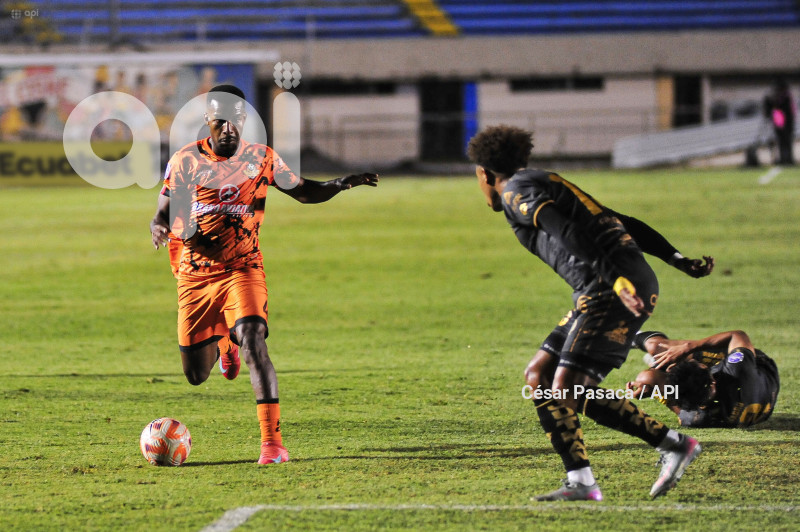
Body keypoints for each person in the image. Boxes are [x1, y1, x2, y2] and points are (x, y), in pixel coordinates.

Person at [466, 124, 714, 501]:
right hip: (601, 290)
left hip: (610, 290)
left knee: (567, 387)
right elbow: (621, 222)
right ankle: (581, 480)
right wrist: (677, 259)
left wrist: (615, 279)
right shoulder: (545, 180)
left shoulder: (517, 191)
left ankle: (674, 444)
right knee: (540, 375)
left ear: (484, 173)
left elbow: (560, 227)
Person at [149, 85, 378, 465]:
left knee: (255, 341)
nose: (228, 128)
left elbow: (304, 192)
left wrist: (339, 183)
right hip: (195, 276)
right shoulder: (186, 161)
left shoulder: (261, 159)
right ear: (208, 120)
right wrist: (158, 226)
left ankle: (273, 445)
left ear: (244, 120)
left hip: (243, 269)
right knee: (195, 375)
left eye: (235, 119)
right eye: (219, 119)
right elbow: (163, 210)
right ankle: (225, 341)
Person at [628, 329, 779, 428]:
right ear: (712, 377)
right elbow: (738, 336)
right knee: (657, 361)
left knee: (655, 353)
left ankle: (629, 335)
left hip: (754, 399)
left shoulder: (695, 418)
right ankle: (657, 360)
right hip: (761, 372)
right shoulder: (737, 369)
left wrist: (655, 392)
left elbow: (673, 400)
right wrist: (689, 347)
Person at [764, 79, 796, 165]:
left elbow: (787, 110)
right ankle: (784, 158)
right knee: (782, 141)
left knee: (787, 141)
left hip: (787, 122)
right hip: (780, 121)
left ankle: (788, 158)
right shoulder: (780, 97)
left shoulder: (785, 97)